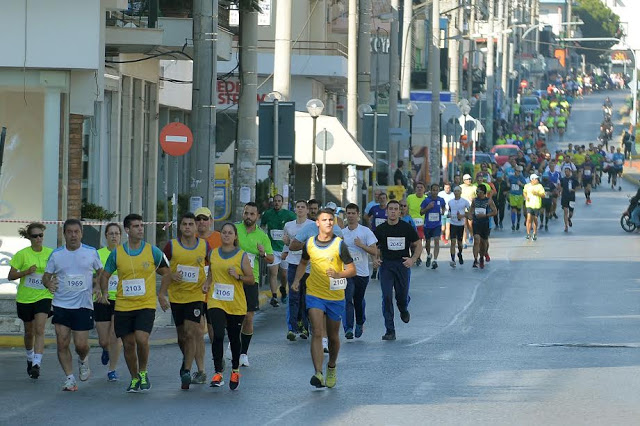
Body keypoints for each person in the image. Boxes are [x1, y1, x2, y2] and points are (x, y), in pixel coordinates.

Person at [100, 214, 171, 393]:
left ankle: (143, 371)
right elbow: (105, 275)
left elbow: (167, 273)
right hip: (124, 305)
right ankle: (133, 377)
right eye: (136, 226)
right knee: (129, 343)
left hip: (145, 304)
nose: (140, 229)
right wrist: (105, 292)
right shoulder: (117, 253)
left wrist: (162, 295)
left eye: (141, 225)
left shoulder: (152, 251)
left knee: (141, 339)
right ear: (127, 230)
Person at [292, 209, 356, 388]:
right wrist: (297, 280)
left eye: (331, 220)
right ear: (317, 223)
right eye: (324, 220)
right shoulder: (310, 243)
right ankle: (318, 373)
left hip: (335, 295)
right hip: (314, 293)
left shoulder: (339, 245)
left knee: (334, 336)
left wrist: (338, 273)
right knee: (317, 332)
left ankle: (332, 366)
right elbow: (303, 262)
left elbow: (352, 270)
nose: (328, 223)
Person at [43, 219, 103, 391]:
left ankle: (83, 359)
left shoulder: (91, 252)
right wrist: (48, 284)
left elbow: (101, 273)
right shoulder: (56, 255)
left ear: (81, 234)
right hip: (61, 304)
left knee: (80, 345)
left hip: (83, 305)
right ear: (64, 234)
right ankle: (69, 378)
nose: (73, 235)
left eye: (76, 231)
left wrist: (98, 286)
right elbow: (46, 277)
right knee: (62, 343)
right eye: (69, 232)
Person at [158, 213, 210, 390]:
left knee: (191, 331)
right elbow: (159, 266)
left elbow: (214, 264)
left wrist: (208, 282)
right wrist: (170, 275)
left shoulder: (204, 245)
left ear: (196, 228)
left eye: (191, 224)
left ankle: (187, 370)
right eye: (184, 224)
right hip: (177, 297)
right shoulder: (171, 246)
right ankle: (187, 360)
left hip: (196, 296)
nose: (188, 227)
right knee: (182, 337)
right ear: (180, 227)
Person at [204, 222, 255, 390]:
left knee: (234, 338)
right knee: (218, 334)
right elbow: (211, 272)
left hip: (235, 303)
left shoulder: (241, 255)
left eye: (229, 233)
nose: (226, 235)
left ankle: (234, 369)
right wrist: (207, 283)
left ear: (235, 237)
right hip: (216, 300)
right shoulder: (213, 253)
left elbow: (251, 279)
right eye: (224, 233)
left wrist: (238, 276)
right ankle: (218, 372)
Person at [288, 200, 343, 352]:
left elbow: (344, 256)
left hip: (330, 277)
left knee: (327, 312)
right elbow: (294, 246)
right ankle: (318, 336)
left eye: (329, 219)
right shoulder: (309, 229)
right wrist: (297, 280)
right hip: (310, 276)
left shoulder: (337, 230)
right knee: (314, 309)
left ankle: (324, 339)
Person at [9, 222, 54, 380]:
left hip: (43, 296)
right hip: (25, 298)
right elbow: (11, 276)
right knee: (29, 332)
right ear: (29, 237)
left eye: (40, 235)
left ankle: (37, 364)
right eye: (35, 236)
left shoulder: (50, 253)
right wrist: (26, 272)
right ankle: (29, 358)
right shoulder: (22, 254)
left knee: (40, 329)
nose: (38, 238)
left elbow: (57, 271)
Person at [373, 200, 422, 340]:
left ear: (400, 212)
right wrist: (375, 259)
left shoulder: (406, 227)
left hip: (402, 265)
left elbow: (418, 244)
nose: (393, 211)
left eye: (396, 209)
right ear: (386, 211)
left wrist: (412, 259)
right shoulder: (381, 229)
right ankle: (390, 330)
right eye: (391, 209)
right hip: (387, 265)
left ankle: (404, 308)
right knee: (387, 296)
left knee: (401, 296)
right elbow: (373, 246)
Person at [236, 202, 274, 367]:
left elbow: (271, 258)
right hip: (232, 278)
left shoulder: (262, 236)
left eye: (252, 214)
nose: (248, 217)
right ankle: (233, 343)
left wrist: (262, 253)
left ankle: (243, 353)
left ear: (257, 217)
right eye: (246, 213)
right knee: (233, 316)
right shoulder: (235, 229)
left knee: (248, 316)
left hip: (252, 279)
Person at [341, 203, 378, 339]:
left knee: (358, 300)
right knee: (347, 298)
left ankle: (360, 322)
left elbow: (374, 250)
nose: (350, 216)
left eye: (353, 213)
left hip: (362, 272)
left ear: (358, 215)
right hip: (347, 272)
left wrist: (361, 245)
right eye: (348, 213)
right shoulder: (342, 233)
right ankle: (348, 328)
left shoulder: (365, 232)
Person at [194, 206, 221, 385]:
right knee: (197, 332)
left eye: (205, 219)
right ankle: (201, 370)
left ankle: (217, 361)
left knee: (214, 333)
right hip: (194, 293)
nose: (202, 222)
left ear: (211, 220)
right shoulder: (189, 240)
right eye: (199, 219)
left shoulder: (219, 238)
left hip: (214, 292)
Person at [282, 200, 313, 340]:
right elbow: (287, 243)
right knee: (293, 296)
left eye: (303, 207)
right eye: (298, 207)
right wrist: (286, 247)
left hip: (307, 265)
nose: (300, 209)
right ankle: (292, 328)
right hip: (293, 263)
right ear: (295, 210)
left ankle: (305, 327)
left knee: (305, 298)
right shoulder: (288, 225)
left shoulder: (312, 225)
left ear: (307, 210)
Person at [95, 223, 122, 381]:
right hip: (101, 300)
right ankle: (105, 349)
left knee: (115, 336)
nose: (114, 236)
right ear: (106, 236)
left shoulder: (125, 254)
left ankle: (112, 369)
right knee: (104, 340)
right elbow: (93, 276)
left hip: (120, 299)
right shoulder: (98, 254)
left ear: (120, 235)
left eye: (116, 233)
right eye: (111, 233)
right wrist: (97, 288)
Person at [260, 194, 296, 307]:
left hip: (284, 249)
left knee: (284, 274)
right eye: (275, 201)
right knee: (273, 273)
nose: (277, 203)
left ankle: (283, 290)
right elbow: (262, 227)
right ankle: (274, 296)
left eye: (279, 201)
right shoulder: (267, 214)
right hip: (272, 248)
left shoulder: (289, 214)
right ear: (272, 202)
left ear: (282, 202)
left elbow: (296, 224)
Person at [468, 186, 497, 269]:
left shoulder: (488, 201)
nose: (477, 193)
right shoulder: (474, 200)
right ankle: (475, 259)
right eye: (477, 191)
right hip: (476, 223)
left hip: (485, 223)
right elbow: (471, 209)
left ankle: (482, 257)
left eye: (479, 192)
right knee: (476, 240)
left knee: (484, 242)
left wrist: (485, 215)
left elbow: (495, 212)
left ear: (484, 192)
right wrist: (470, 215)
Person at [420, 183, 446, 269]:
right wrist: (428, 207)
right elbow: (421, 212)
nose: (435, 192)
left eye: (437, 190)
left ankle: (435, 260)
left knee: (436, 240)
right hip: (427, 225)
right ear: (431, 191)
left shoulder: (441, 200)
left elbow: (443, 208)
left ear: (439, 191)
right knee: (428, 242)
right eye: (433, 190)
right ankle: (428, 255)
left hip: (437, 225)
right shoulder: (426, 200)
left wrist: (443, 211)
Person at [448, 187, 470, 267]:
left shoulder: (465, 202)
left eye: (458, 191)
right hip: (452, 223)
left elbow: (470, 212)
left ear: (460, 192)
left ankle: (460, 253)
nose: (456, 192)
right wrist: (449, 215)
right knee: (453, 242)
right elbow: (449, 211)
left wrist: (463, 215)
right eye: (455, 191)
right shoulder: (450, 202)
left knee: (460, 243)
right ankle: (452, 259)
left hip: (460, 224)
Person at [406, 182, 427, 265]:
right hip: (411, 222)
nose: (419, 189)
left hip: (422, 222)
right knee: (411, 242)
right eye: (418, 187)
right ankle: (413, 255)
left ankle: (418, 257)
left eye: (421, 187)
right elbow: (406, 208)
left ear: (424, 189)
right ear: (415, 189)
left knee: (419, 241)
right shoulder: (410, 197)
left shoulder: (426, 198)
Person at [523, 174, 546, 241]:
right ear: (532, 180)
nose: (537, 180)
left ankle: (535, 233)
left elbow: (543, 195)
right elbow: (524, 192)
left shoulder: (539, 186)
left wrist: (537, 194)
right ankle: (528, 233)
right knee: (529, 218)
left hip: (536, 205)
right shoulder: (527, 186)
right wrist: (526, 197)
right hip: (529, 204)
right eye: (536, 179)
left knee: (535, 219)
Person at [560, 168, 580, 232]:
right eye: (565, 172)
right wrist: (560, 193)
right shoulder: (563, 179)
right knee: (565, 211)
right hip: (564, 197)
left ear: (570, 172)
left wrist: (574, 190)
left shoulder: (573, 179)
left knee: (570, 213)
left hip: (571, 197)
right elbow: (561, 187)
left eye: (567, 171)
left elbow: (579, 186)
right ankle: (566, 226)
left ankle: (569, 218)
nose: (566, 173)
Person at [508, 166, 527, 231]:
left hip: (520, 195)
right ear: (515, 171)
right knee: (513, 209)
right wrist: (508, 184)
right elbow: (508, 182)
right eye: (517, 171)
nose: (518, 172)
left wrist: (521, 184)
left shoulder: (522, 178)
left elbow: (525, 186)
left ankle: (518, 223)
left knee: (518, 210)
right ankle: (513, 224)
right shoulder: (511, 177)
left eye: (519, 171)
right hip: (512, 195)